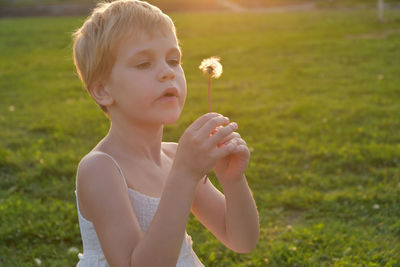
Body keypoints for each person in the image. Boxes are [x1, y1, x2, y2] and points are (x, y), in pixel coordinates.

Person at [72, 0, 259, 266]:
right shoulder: (100, 168)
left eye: (173, 60)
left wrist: (233, 180)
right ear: (103, 90)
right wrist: (184, 173)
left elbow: (242, 240)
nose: (167, 73)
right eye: (144, 64)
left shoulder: (174, 156)